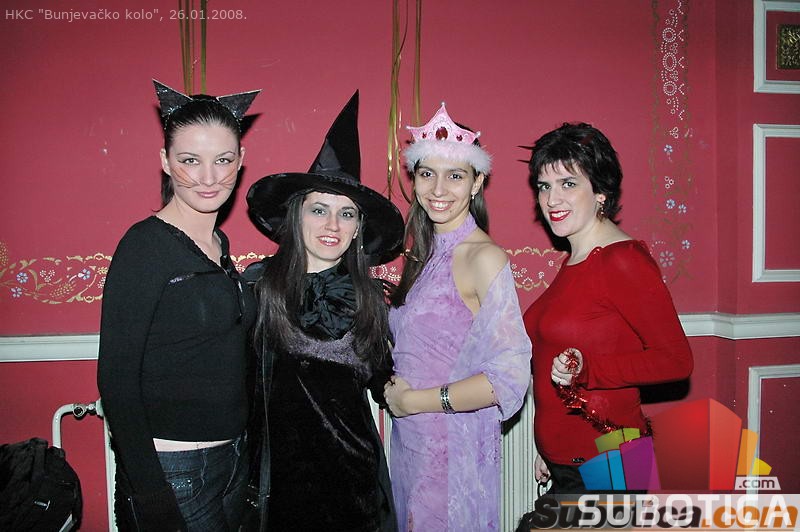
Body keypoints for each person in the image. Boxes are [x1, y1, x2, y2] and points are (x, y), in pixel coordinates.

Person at [97, 80, 260, 531]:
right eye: (190, 160)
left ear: (241, 161)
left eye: (222, 160)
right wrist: (149, 490)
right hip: (175, 469)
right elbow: (116, 378)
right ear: (166, 161)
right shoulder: (144, 246)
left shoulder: (219, 244)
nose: (208, 177)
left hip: (232, 459)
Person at [243, 92, 404, 532]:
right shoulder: (258, 287)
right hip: (279, 488)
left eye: (346, 214)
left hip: (354, 485)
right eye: (319, 210)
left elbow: (388, 383)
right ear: (297, 216)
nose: (332, 225)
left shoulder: (370, 299)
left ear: (358, 229)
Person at [383, 103, 532, 531]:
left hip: (451, 455)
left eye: (455, 175)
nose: (438, 189)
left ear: (477, 182)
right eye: (427, 173)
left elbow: (508, 378)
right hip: (412, 446)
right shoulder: (425, 253)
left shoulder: (483, 257)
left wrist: (414, 401)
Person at [522, 122, 693, 493]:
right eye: (544, 186)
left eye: (568, 184)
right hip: (570, 463)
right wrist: (549, 448)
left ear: (600, 191)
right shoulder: (575, 259)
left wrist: (588, 371)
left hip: (610, 464)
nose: (552, 199)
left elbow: (676, 360)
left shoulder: (623, 260)